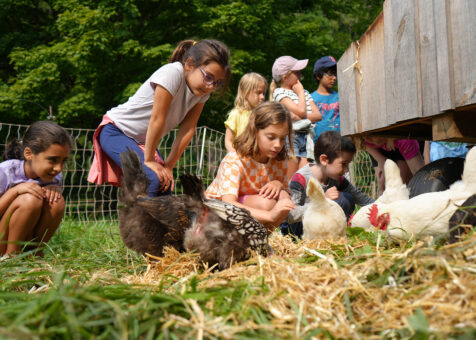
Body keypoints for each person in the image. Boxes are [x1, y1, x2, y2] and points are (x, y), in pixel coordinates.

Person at [88, 39, 231, 196]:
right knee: (151, 180)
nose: (211, 86)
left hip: (142, 142)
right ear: (190, 64)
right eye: (208, 77)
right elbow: (157, 118)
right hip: (116, 131)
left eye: (217, 83)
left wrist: (168, 166)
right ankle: (140, 220)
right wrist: (149, 160)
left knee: (164, 185)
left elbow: (188, 129)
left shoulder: (201, 93)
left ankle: (156, 220)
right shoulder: (173, 73)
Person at [206, 102, 296, 233]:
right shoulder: (235, 160)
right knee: (268, 203)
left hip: (246, 216)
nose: (278, 145)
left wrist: (278, 184)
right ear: (255, 131)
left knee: (283, 198)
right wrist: (269, 216)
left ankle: (260, 241)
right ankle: (251, 241)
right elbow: (228, 204)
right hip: (216, 217)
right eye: (271, 137)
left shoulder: (278, 160)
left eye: (282, 139)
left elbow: (285, 193)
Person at [0, 121, 72, 256]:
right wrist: (15, 191)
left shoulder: (54, 177)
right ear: (29, 154)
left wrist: (55, 191)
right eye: (53, 160)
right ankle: (11, 258)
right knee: (29, 200)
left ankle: (34, 254)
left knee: (56, 201)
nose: (59, 168)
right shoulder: (4, 172)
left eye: (64, 161)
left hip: (25, 237)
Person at [284, 131, 374, 237]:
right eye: (343, 164)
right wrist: (322, 202)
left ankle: (337, 236)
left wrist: (385, 206)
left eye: (348, 165)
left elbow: (362, 199)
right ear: (324, 160)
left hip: (323, 227)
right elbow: (291, 215)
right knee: (341, 200)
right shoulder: (301, 179)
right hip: (299, 230)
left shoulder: (337, 179)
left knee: (347, 198)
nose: (346, 170)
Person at [270, 56, 321, 178]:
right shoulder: (279, 93)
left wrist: (300, 116)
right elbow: (302, 111)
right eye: (296, 72)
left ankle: (301, 197)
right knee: (290, 177)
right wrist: (300, 92)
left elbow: (318, 115)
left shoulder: (305, 93)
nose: (300, 75)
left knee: (304, 177)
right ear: (285, 77)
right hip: (291, 137)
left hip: (307, 137)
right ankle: (289, 196)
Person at [224, 72, 267, 153]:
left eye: (264, 93)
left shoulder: (262, 116)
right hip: (238, 160)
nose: (262, 97)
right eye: (258, 93)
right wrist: (234, 155)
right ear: (245, 93)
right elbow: (228, 141)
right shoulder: (236, 114)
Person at [311, 56, 340, 141]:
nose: (334, 78)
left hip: (339, 144)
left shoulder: (340, 97)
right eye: (330, 74)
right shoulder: (310, 99)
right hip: (317, 146)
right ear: (318, 76)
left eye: (335, 74)